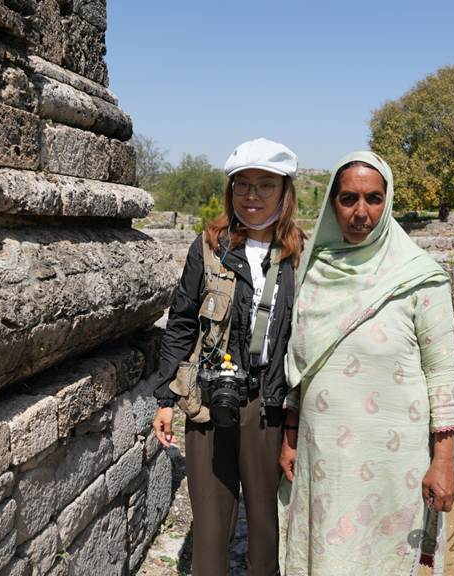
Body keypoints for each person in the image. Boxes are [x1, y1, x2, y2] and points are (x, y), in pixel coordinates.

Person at [278, 151, 454, 576]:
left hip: (392, 459)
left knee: (380, 557)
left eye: (374, 198)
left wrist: (443, 461)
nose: (361, 212)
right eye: (348, 199)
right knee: (326, 554)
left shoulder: (420, 276)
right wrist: (290, 436)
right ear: (332, 203)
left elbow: (442, 371)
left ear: (388, 201)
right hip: (322, 450)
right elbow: (300, 360)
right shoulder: (316, 270)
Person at [152, 138, 305, 576]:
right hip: (209, 401)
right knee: (212, 523)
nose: (251, 197)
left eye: (265, 185)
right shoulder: (210, 246)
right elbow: (181, 319)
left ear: (285, 191)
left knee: (265, 523)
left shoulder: (301, 255)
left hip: (268, 405)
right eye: (242, 185)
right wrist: (165, 398)